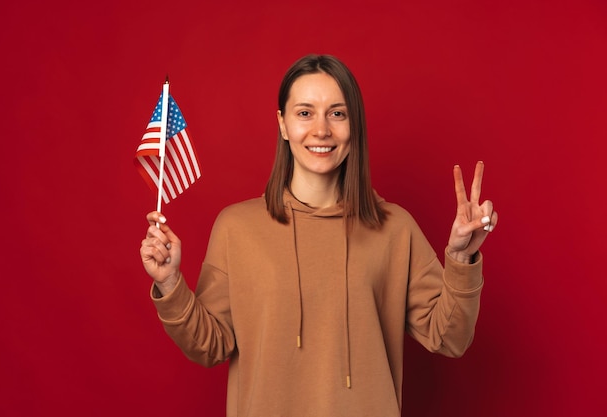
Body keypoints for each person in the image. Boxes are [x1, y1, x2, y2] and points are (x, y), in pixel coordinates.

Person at [140, 54, 498, 417]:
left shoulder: (395, 228)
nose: (322, 130)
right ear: (282, 124)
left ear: (353, 125)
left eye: (337, 113)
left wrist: (460, 259)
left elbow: (450, 338)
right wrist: (170, 284)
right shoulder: (237, 228)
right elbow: (210, 346)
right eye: (305, 113)